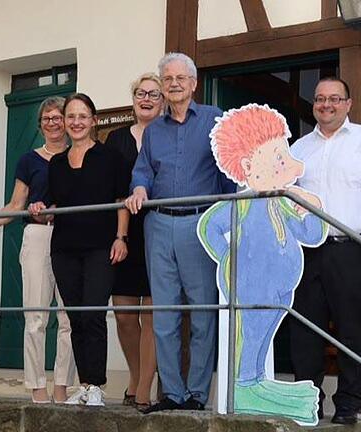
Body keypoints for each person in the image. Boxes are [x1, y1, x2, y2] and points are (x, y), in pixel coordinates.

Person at [197, 104, 327, 425]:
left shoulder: (284, 201)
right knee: (251, 333)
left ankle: (255, 380)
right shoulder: (241, 204)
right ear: (249, 166)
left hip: (280, 291)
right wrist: (228, 258)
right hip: (251, 287)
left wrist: (310, 210)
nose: (290, 166)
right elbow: (208, 227)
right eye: (278, 159)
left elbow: (311, 235)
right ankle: (244, 384)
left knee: (265, 335)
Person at [124, 52, 236, 413]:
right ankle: (172, 392)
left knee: (203, 313)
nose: (173, 83)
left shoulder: (215, 120)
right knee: (165, 314)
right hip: (158, 224)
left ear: (193, 83)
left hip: (200, 224)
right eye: (167, 78)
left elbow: (229, 173)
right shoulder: (154, 130)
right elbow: (142, 172)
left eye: (180, 78)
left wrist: (230, 220)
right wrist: (139, 188)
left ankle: (197, 395)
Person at [289, 77, 361, 425]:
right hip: (306, 250)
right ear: (314, 105)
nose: (327, 105)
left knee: (351, 327)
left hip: (351, 247)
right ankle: (309, 401)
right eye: (320, 99)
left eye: (335, 99)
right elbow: (284, 196)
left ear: (348, 104)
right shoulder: (299, 149)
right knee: (305, 328)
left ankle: (349, 403)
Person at [0, 97, 76, 404]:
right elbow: (14, 205)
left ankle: (62, 386)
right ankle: (37, 388)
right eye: (47, 118)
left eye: (58, 117)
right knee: (35, 316)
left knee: (69, 317)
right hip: (37, 237)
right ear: (40, 125)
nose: (52, 122)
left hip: (72, 238)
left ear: (67, 120)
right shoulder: (28, 160)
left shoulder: (79, 155)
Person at [29, 93, 131, 407]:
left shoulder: (110, 156)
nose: (75, 122)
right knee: (75, 317)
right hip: (64, 249)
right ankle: (84, 386)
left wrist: (121, 238)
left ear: (93, 121)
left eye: (82, 116)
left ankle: (97, 386)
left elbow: (120, 201)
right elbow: (59, 205)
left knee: (93, 314)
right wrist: (42, 210)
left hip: (100, 246)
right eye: (70, 116)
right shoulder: (57, 164)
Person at [105, 73, 163, 410]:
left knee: (153, 315)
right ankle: (135, 374)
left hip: (158, 229)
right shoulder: (115, 139)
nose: (146, 99)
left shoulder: (169, 135)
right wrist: (117, 235)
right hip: (124, 233)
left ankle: (143, 389)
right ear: (133, 99)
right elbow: (111, 189)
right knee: (125, 315)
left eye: (153, 94)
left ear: (162, 100)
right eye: (141, 93)